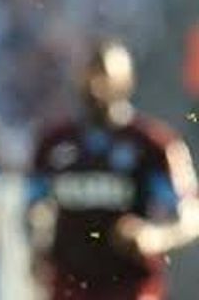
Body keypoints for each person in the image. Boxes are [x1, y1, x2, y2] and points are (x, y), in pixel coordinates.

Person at [28, 40, 199, 299]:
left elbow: (189, 216)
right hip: (69, 287)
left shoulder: (151, 145)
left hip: (129, 288)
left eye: (104, 76)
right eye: (90, 75)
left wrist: (154, 236)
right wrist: (38, 245)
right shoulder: (54, 144)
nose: (96, 86)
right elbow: (33, 206)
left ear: (125, 79)